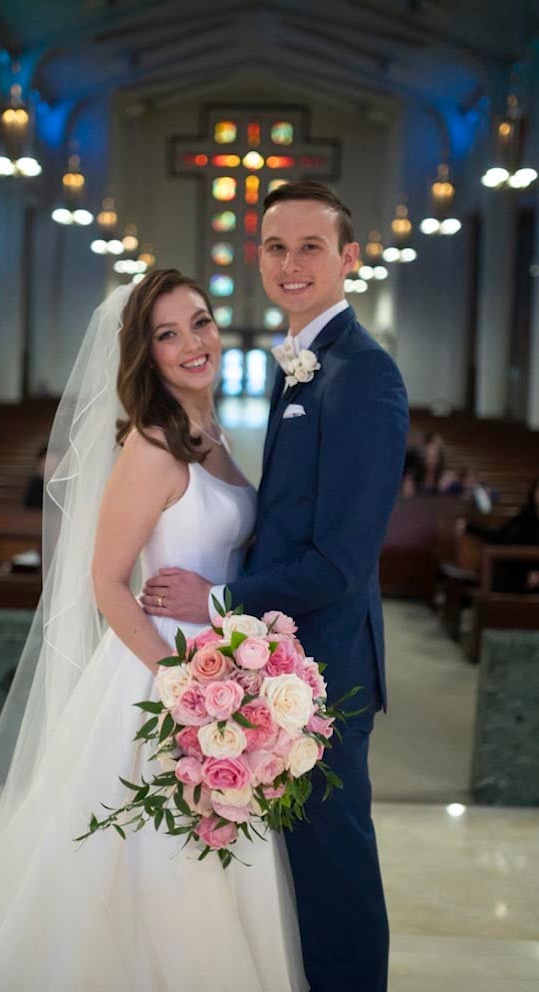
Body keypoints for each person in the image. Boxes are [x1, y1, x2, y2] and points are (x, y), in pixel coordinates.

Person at [0, 270, 306, 992]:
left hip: (219, 672)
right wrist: (182, 693)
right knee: (155, 869)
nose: (192, 344)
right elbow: (106, 583)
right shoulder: (151, 446)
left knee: (210, 863)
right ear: (146, 354)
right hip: (161, 681)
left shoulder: (212, 433)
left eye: (199, 322)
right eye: (166, 335)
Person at [143, 181, 409, 991]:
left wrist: (218, 605)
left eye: (311, 247)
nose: (290, 264)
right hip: (285, 659)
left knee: (336, 874)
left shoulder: (363, 374)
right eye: (275, 247)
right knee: (298, 872)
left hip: (328, 670)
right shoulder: (306, 365)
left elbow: (339, 562)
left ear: (350, 259)